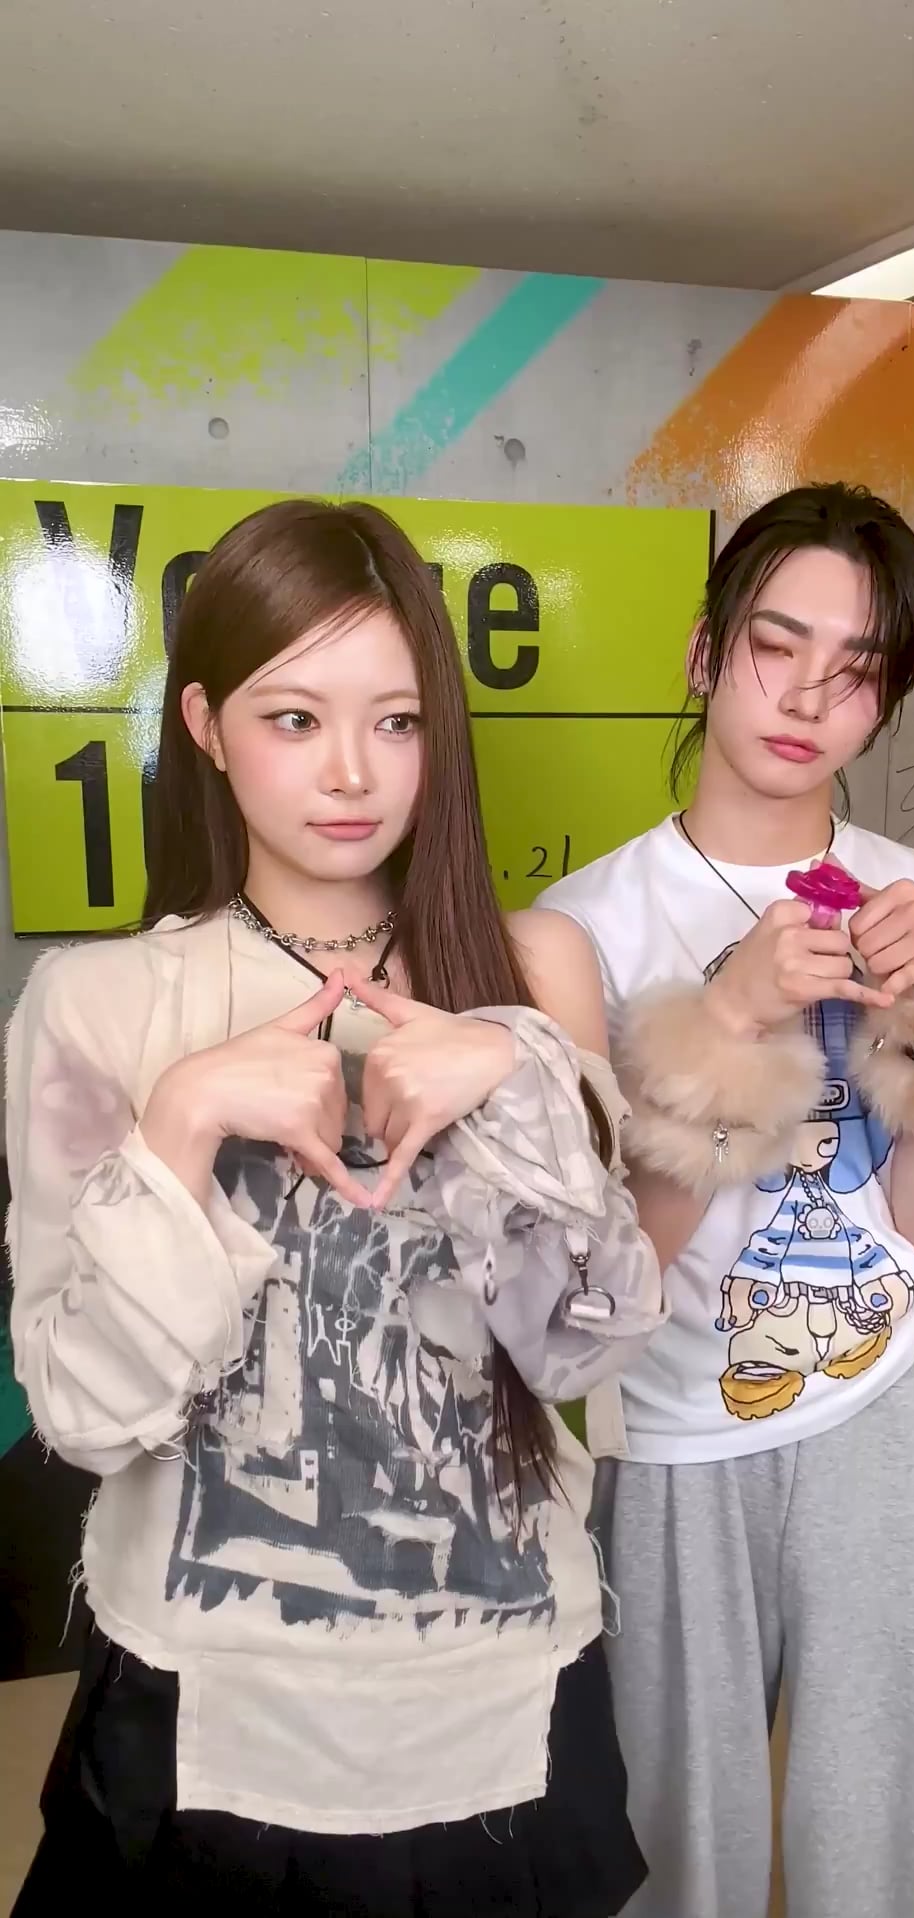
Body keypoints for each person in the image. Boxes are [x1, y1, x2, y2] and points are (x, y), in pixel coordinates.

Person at [6, 497, 664, 1915]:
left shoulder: (536, 968)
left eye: (398, 721)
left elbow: (587, 1350)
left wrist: (519, 1075)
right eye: (294, 718)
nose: (353, 773)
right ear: (205, 722)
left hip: (501, 1702)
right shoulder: (99, 1001)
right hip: (202, 1716)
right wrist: (182, 1124)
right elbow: (82, 1415)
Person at [538, 483, 914, 1918]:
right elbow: (608, 1275)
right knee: (673, 1837)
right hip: (669, 1425)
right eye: (776, 647)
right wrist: (724, 1017)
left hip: (887, 1409)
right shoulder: (587, 927)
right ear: (704, 653)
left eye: (855, 670)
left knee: (878, 1838)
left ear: (882, 701)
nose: (807, 697)